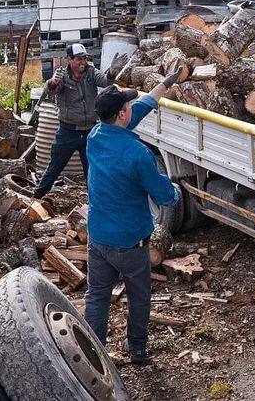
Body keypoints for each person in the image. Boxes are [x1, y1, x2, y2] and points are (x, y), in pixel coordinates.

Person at [83, 70, 181, 365]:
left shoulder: (95, 136)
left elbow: (136, 111)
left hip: (98, 236)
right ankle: (137, 349)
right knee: (139, 297)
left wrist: (164, 85)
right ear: (122, 113)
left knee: (96, 297)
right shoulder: (138, 154)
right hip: (130, 242)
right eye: (127, 106)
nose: (129, 108)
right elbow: (163, 196)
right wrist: (175, 191)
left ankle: (94, 355)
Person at [33, 43, 109, 198]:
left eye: (85, 59)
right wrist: (53, 82)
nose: (83, 62)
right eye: (79, 59)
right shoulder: (62, 75)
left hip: (89, 131)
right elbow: (50, 91)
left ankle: (95, 201)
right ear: (69, 59)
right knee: (54, 168)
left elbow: (105, 81)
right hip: (68, 132)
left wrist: (112, 73)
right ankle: (36, 197)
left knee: (92, 169)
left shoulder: (91, 72)